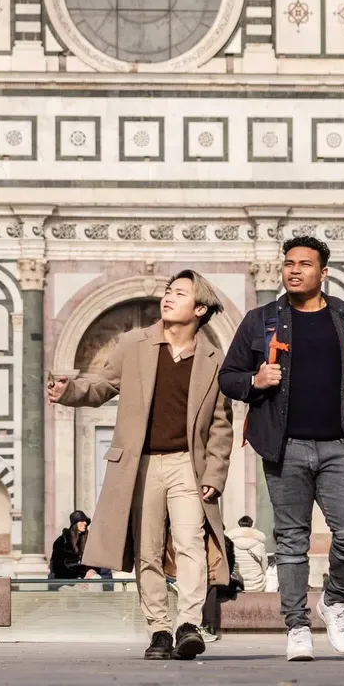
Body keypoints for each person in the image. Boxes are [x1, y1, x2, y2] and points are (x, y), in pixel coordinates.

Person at [219, 235, 344, 662]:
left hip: (340, 444)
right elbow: (228, 376)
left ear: (324, 272)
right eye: (288, 263)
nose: (294, 270)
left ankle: (334, 600)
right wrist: (253, 382)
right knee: (292, 542)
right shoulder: (261, 320)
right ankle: (297, 626)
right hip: (284, 447)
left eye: (304, 264)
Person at [49, 270, 234, 661]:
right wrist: (70, 391)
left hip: (188, 464)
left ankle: (188, 624)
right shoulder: (135, 344)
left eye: (179, 294)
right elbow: (101, 385)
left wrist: (215, 475)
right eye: (168, 291)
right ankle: (159, 631)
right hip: (141, 465)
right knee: (147, 552)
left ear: (199, 308)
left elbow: (221, 425)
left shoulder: (214, 360)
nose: (168, 298)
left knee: (190, 546)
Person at [200, 535, 241, 643]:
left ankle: (208, 626)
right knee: (211, 586)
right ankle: (209, 627)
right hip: (218, 583)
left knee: (211, 586)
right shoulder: (226, 542)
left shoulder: (200, 543)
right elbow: (230, 567)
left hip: (218, 583)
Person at [50, 511, 98, 580]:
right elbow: (58, 568)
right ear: (74, 523)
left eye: (85, 521)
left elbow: (93, 560)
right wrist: (81, 575)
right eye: (81, 520)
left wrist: (92, 570)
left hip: (84, 579)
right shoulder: (62, 541)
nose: (85, 523)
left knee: (97, 579)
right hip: (65, 582)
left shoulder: (86, 541)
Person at [228, 515, 268, 593]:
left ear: (239, 525)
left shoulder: (230, 543)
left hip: (237, 586)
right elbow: (264, 566)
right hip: (257, 585)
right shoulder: (260, 544)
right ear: (252, 525)